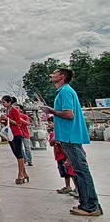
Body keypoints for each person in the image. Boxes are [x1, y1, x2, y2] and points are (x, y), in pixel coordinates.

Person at [41, 68, 103, 216]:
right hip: (67, 137)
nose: (51, 75)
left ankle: (91, 206)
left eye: (54, 73)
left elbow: (69, 114)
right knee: (78, 171)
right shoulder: (63, 92)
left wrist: (51, 111)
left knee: (81, 172)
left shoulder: (65, 92)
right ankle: (86, 204)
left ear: (61, 76)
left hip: (71, 137)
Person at [0, 96, 29, 184]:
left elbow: (18, 123)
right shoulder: (7, 111)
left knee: (19, 154)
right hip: (10, 134)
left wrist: (7, 119)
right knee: (16, 153)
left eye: (4, 102)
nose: (3, 104)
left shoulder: (14, 110)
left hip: (16, 134)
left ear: (9, 102)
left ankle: (21, 174)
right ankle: (24, 173)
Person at [48, 117, 77, 195]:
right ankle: (67, 186)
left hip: (65, 155)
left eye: (51, 123)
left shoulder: (62, 132)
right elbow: (51, 143)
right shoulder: (53, 133)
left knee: (71, 172)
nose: (49, 125)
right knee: (64, 172)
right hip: (59, 156)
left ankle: (77, 188)